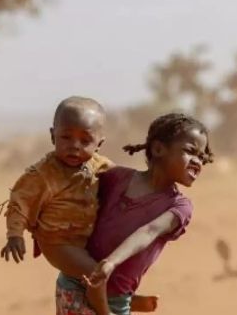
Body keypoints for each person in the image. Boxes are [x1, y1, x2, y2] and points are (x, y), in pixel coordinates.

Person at [59, 113, 214, 315]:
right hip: (75, 285)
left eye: (202, 157)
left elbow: (149, 231)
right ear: (158, 149)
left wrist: (111, 262)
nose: (198, 162)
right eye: (190, 152)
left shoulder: (179, 206)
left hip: (116, 299)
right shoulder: (115, 177)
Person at [0, 96, 114, 314]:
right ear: (53, 136)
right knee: (94, 271)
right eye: (66, 137)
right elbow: (19, 202)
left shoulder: (102, 167)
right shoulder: (42, 174)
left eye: (85, 140)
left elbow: (126, 184)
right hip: (57, 241)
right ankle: (105, 311)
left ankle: (120, 297)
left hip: (87, 239)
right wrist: (14, 235)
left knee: (116, 262)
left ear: (99, 143)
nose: (74, 146)